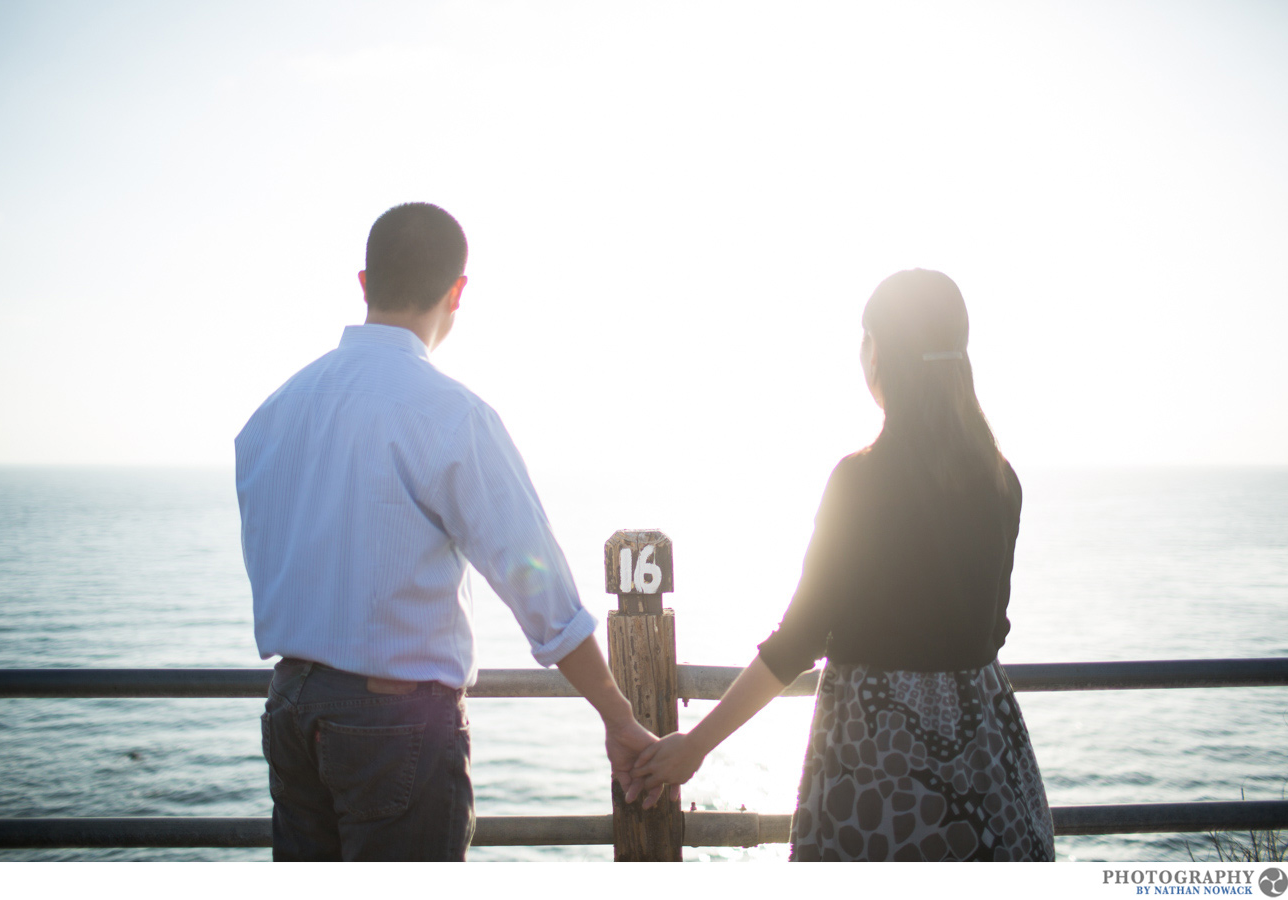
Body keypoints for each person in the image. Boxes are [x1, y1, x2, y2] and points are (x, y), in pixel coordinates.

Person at [236, 202, 656, 861]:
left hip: (290, 706)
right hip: (395, 723)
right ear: (457, 291)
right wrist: (617, 715)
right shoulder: (450, 415)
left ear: (364, 282)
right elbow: (534, 580)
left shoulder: (272, 414)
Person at [629, 269, 1055, 861]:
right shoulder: (999, 479)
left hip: (878, 763)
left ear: (880, 354)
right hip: (989, 760)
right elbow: (993, 629)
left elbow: (798, 639)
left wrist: (696, 745)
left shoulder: (861, 479)